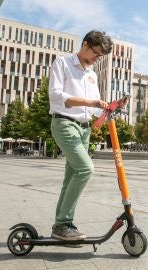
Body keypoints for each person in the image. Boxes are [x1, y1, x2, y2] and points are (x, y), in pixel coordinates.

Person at [49, 30, 113, 241]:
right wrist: (91, 103)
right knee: (86, 168)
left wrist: (107, 109)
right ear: (85, 44)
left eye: (101, 56)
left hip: (84, 129)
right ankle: (63, 223)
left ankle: (62, 225)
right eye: (96, 53)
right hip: (65, 123)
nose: (97, 58)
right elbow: (56, 96)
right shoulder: (63, 63)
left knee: (71, 178)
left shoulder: (92, 74)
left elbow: (94, 109)